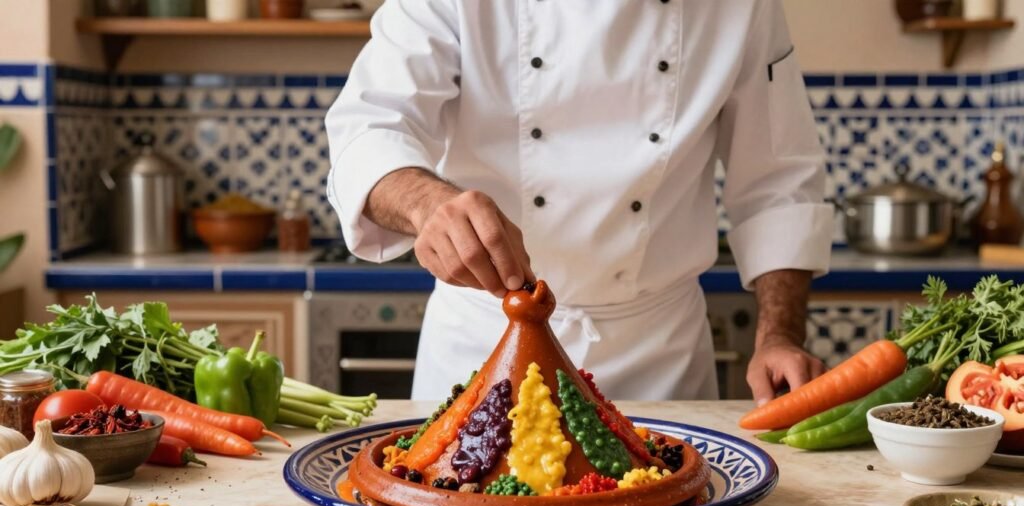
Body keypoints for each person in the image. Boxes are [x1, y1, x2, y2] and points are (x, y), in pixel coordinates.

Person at [326, 0, 832, 404]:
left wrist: (778, 338)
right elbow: (368, 128)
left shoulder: (742, 6)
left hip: (658, 365)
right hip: (483, 350)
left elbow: (778, 182)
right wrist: (426, 202)